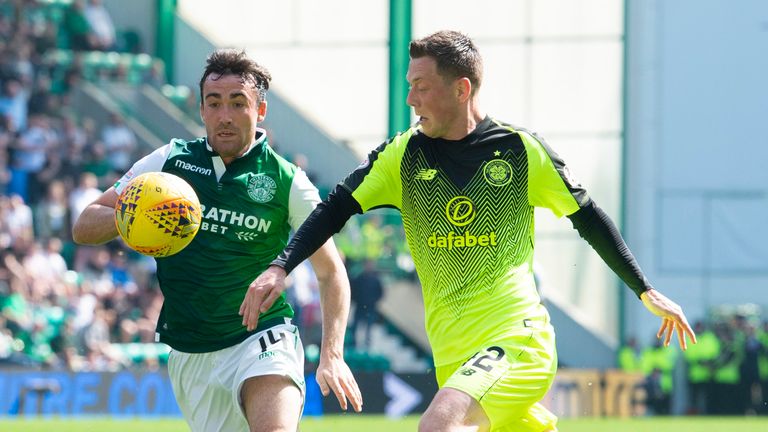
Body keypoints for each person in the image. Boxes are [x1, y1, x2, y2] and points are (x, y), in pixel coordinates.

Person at [243, 30, 696, 431]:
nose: (410, 100)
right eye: (409, 87)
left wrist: (644, 289)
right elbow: (334, 209)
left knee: (438, 424)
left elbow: (588, 217)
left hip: (517, 338)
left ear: (461, 89)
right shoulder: (402, 157)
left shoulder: (521, 151)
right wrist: (281, 266)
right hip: (454, 357)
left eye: (421, 87)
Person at [72, 49, 362, 431]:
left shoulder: (287, 180)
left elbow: (331, 272)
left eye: (238, 103)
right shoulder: (168, 162)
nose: (225, 115)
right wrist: (133, 218)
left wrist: (332, 354)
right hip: (191, 349)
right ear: (202, 110)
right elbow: (84, 225)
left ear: (260, 111)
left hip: (263, 335)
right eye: (215, 103)